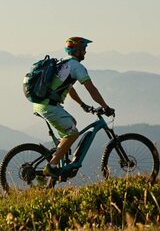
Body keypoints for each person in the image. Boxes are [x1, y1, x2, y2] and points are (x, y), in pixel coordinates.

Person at [33, 37, 114, 176]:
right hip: (49, 106)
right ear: (77, 51)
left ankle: (58, 155)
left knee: (73, 123)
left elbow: (69, 88)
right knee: (73, 133)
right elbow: (91, 89)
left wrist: (82, 104)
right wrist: (105, 106)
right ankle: (51, 166)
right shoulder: (77, 67)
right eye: (84, 49)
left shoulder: (63, 63)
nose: (85, 53)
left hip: (42, 104)